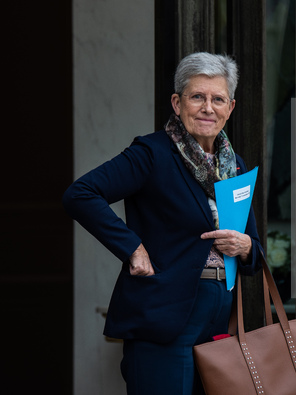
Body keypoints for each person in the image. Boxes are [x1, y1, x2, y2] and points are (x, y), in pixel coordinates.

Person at [62, 52, 263, 395]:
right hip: (164, 312)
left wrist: (245, 247)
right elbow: (81, 194)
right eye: (197, 97)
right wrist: (133, 249)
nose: (207, 108)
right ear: (177, 102)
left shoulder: (235, 166)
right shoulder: (151, 153)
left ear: (230, 107)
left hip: (218, 316)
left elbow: (254, 246)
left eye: (217, 99)